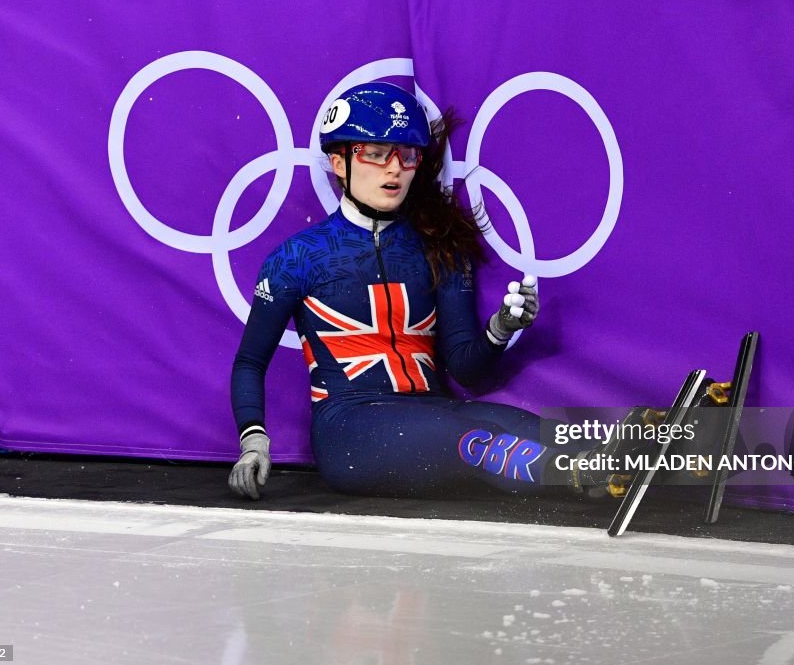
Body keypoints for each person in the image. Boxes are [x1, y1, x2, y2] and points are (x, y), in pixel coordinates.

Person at [228, 82, 618, 501]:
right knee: (476, 438)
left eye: (407, 155)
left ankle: (666, 458)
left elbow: (465, 369)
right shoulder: (297, 257)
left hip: (435, 412)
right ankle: (590, 479)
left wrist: (501, 329)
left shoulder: (439, 245)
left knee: (526, 426)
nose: (394, 169)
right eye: (376, 154)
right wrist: (254, 442)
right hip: (351, 430)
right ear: (338, 162)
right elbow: (250, 361)